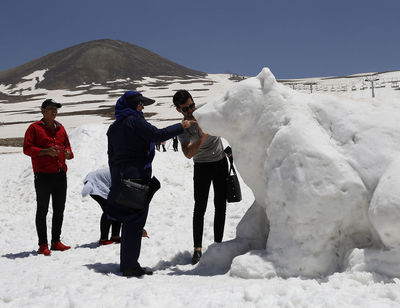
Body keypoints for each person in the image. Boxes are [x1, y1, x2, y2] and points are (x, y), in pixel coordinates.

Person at [107, 90, 193, 277]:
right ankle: (130, 266)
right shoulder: (134, 121)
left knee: (129, 222)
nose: (142, 107)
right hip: (136, 179)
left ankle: (127, 263)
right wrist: (181, 126)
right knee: (135, 223)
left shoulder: (113, 128)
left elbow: (111, 158)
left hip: (122, 179)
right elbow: (157, 134)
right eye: (140, 104)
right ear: (132, 105)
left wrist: (117, 180)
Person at [173, 90, 229, 265]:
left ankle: (218, 244)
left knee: (220, 205)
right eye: (185, 109)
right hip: (202, 167)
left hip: (220, 162)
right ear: (179, 110)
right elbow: (188, 153)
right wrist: (202, 137)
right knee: (200, 207)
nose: (190, 110)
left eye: (191, 105)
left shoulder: (205, 111)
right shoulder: (183, 128)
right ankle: (197, 248)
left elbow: (227, 122)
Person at [23, 99, 74, 256]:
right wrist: (45, 152)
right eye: (51, 109)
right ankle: (43, 244)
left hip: (60, 174)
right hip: (43, 175)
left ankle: (55, 241)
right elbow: (27, 148)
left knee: (59, 209)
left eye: (56, 109)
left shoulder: (60, 128)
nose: (54, 111)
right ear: (43, 110)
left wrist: (68, 154)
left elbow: (68, 147)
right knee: (42, 210)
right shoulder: (34, 128)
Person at [82, 168, 122, 245]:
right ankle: (103, 239)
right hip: (96, 184)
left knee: (118, 207)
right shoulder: (124, 173)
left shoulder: (124, 171)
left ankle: (115, 236)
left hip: (97, 182)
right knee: (109, 210)